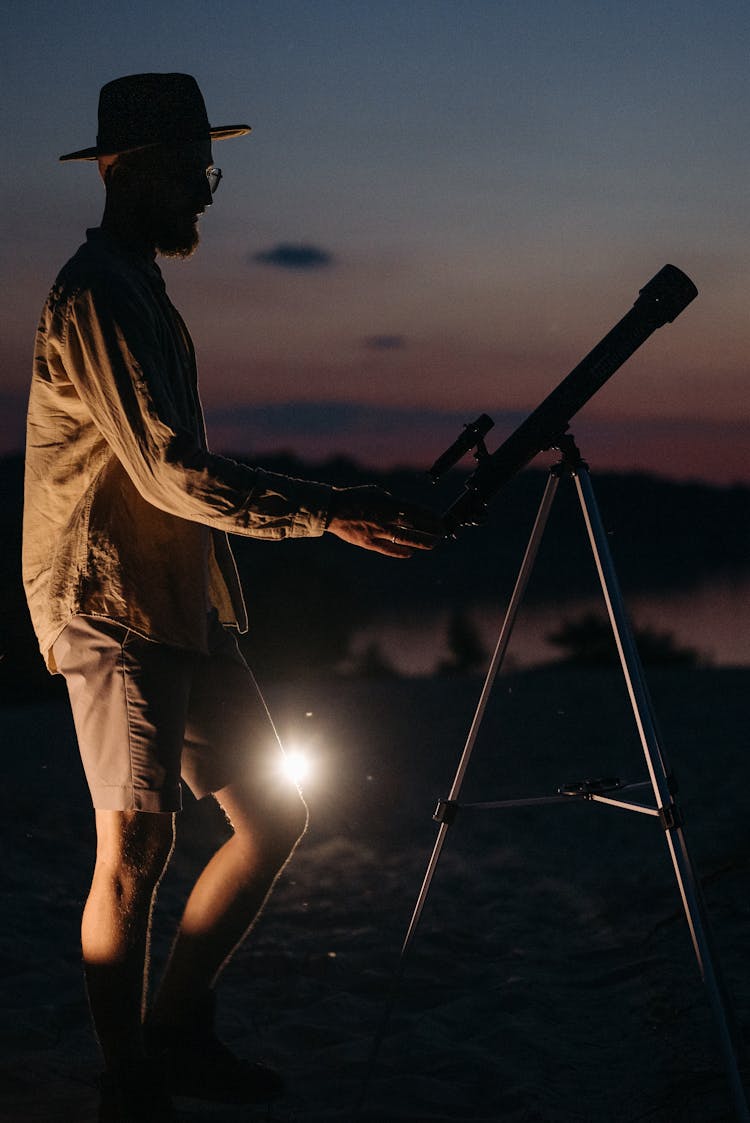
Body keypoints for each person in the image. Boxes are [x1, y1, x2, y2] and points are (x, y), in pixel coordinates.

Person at [22, 73, 443, 1123]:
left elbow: (177, 478)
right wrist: (329, 507)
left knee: (274, 815)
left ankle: (175, 1029)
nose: (210, 192)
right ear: (128, 172)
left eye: (212, 168)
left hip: (180, 597)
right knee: (137, 849)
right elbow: (171, 471)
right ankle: (129, 1083)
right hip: (109, 600)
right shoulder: (96, 293)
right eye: (193, 171)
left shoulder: (142, 288)